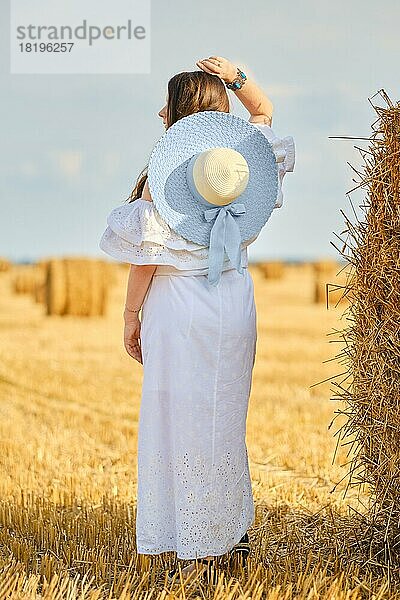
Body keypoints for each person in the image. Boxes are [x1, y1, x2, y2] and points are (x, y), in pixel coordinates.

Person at [99, 55, 295, 584]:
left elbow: (145, 263)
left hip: (180, 305)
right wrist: (237, 77)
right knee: (224, 420)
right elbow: (266, 111)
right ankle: (227, 534)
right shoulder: (240, 168)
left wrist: (128, 317)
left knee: (176, 421)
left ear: (181, 112)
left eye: (167, 102)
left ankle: (189, 536)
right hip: (233, 302)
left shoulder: (169, 184)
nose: (158, 111)